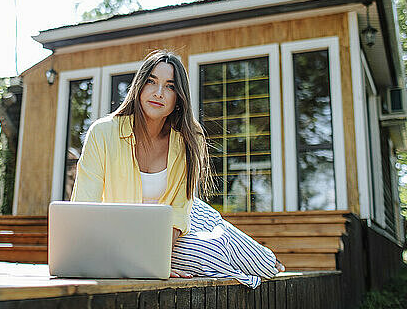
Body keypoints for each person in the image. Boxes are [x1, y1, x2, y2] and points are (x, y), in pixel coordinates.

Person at [71, 49, 284, 288]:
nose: (159, 93)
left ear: (178, 98)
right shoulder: (103, 132)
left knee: (263, 264)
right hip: (128, 239)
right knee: (210, 252)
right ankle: (251, 266)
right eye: (151, 81)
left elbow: (179, 209)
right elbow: (83, 205)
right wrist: (151, 264)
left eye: (170, 86)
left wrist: (159, 258)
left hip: (181, 223)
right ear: (139, 87)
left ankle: (265, 260)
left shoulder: (186, 140)